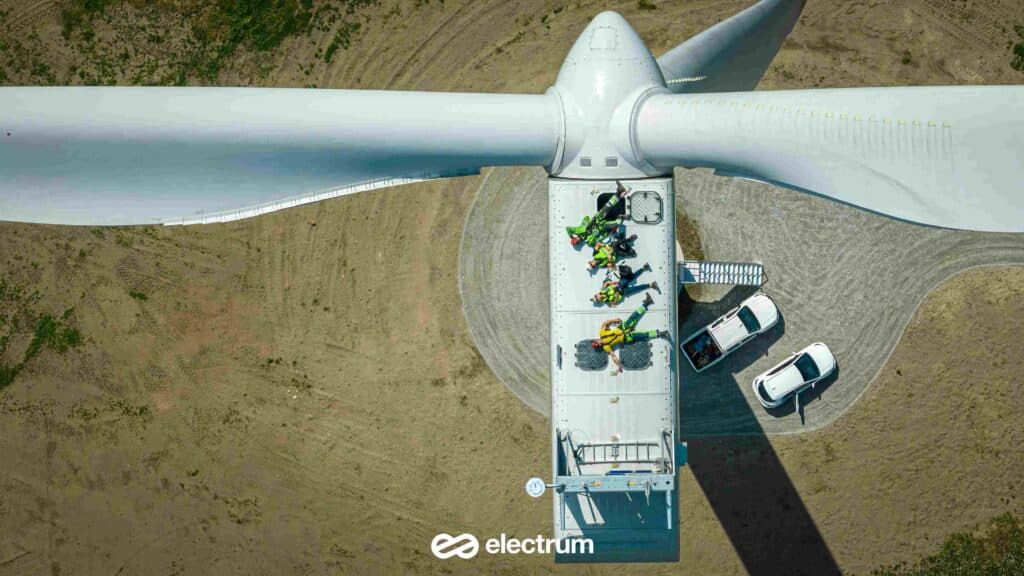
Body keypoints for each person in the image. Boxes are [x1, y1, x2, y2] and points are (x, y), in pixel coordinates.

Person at [591, 293, 670, 372]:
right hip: (626, 337)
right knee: (643, 335)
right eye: (598, 345)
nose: (598, 344)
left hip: (622, 328)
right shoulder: (606, 347)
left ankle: (647, 303)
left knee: (634, 316)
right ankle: (661, 333)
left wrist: (614, 320)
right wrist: (618, 366)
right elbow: (613, 356)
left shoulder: (602, 333)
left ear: (597, 340)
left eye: (596, 343)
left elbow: (605, 323)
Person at [565, 181, 631, 247]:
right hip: (602, 226)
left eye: (576, 240)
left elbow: (568, 228)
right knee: (616, 224)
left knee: (608, 206)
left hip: (597, 219)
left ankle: (619, 191)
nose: (578, 240)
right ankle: (621, 217)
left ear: (575, 237)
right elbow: (597, 242)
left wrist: (571, 236)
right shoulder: (589, 242)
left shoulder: (578, 230)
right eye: (577, 242)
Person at [591, 264, 659, 307]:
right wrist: (617, 294)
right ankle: (652, 284)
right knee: (638, 288)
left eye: (596, 297)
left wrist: (612, 283)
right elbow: (615, 302)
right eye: (597, 300)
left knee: (632, 277)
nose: (598, 298)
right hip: (623, 292)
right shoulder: (606, 301)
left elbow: (606, 283)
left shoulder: (602, 290)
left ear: (596, 295)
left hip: (620, 285)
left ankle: (644, 268)